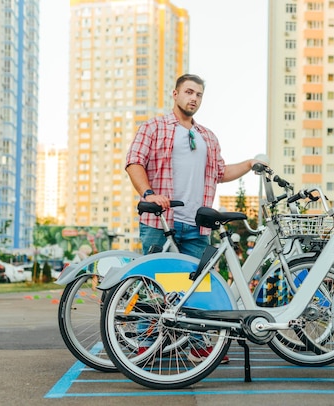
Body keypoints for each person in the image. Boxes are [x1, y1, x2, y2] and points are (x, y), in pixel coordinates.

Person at [125, 73, 262, 363]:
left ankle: (200, 345)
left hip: (198, 225)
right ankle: (146, 344)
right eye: (189, 92)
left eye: (199, 95)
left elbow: (220, 173)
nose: (194, 99)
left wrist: (250, 164)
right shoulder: (154, 127)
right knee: (154, 283)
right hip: (161, 221)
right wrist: (148, 193)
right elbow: (134, 162)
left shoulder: (208, 137)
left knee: (199, 286)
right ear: (175, 94)